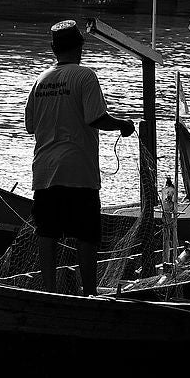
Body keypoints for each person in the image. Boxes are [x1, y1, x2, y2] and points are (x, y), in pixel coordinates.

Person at [24, 19, 135, 296]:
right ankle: (89, 293)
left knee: (46, 234)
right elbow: (96, 117)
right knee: (86, 235)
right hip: (78, 171)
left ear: (53, 48)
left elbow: (30, 126)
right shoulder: (85, 76)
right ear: (80, 46)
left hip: (45, 171)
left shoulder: (40, 81)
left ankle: (49, 292)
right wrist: (123, 124)